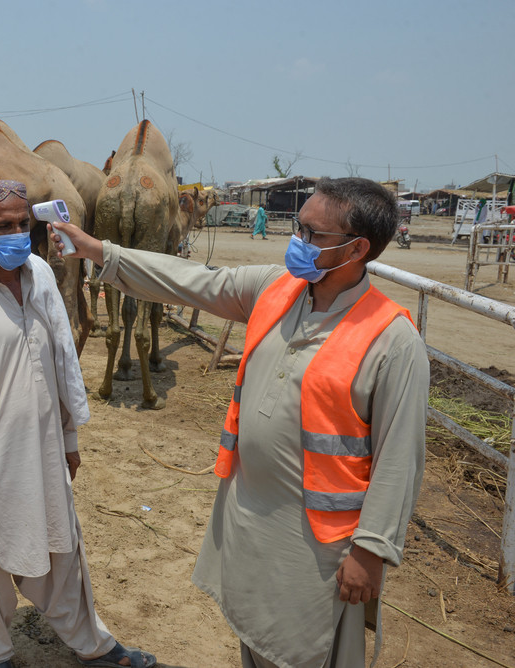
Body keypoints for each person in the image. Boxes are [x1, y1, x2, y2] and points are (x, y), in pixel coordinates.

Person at [49, 177, 429, 668]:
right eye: (299, 226)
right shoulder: (277, 288)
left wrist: (371, 549)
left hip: (317, 543)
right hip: (249, 514)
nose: (299, 241)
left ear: (357, 249)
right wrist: (101, 252)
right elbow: (190, 281)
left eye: (313, 235)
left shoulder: (394, 341)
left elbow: (401, 456)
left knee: (304, 650)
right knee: (253, 636)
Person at [0, 180, 156, 668]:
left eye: (22, 225)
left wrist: (69, 436)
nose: (17, 234)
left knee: (64, 548)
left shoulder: (42, 276)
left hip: (47, 444)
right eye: (3, 226)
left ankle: (93, 645)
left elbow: (61, 365)